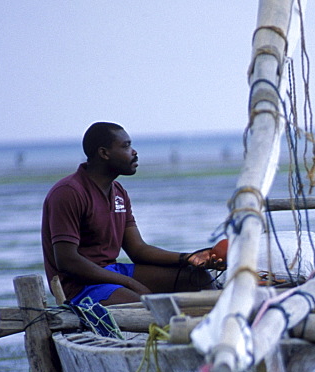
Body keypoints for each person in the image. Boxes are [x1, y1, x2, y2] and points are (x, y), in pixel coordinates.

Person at [41, 122, 224, 306]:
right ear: (104, 153)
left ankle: (215, 331)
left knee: (198, 277)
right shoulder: (69, 192)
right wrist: (129, 283)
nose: (134, 152)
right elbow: (67, 260)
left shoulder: (119, 192)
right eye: (126, 146)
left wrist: (188, 258)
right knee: (144, 307)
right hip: (81, 287)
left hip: (113, 272)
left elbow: (138, 250)